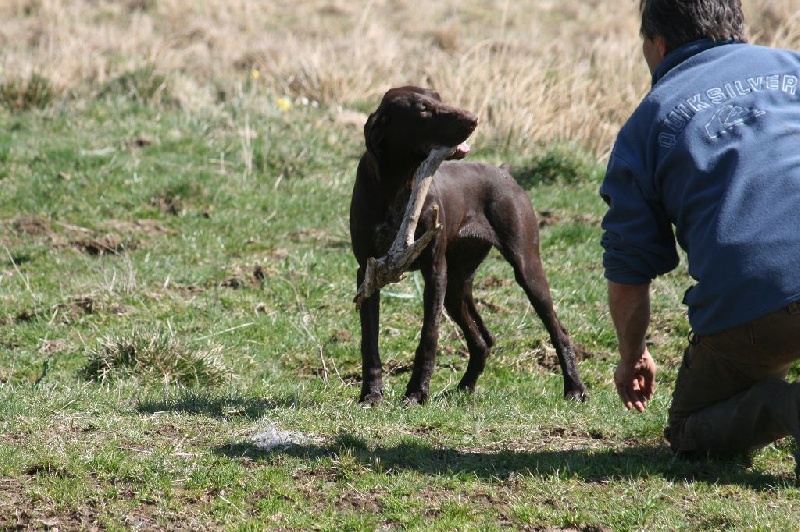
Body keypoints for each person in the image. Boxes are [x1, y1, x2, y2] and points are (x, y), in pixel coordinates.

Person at [600, 0, 800, 476]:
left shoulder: (648, 122)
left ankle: (786, 407)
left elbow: (629, 271)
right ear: (737, 26)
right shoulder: (793, 67)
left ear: (658, 43)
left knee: (689, 429)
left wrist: (632, 355)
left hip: (759, 302)